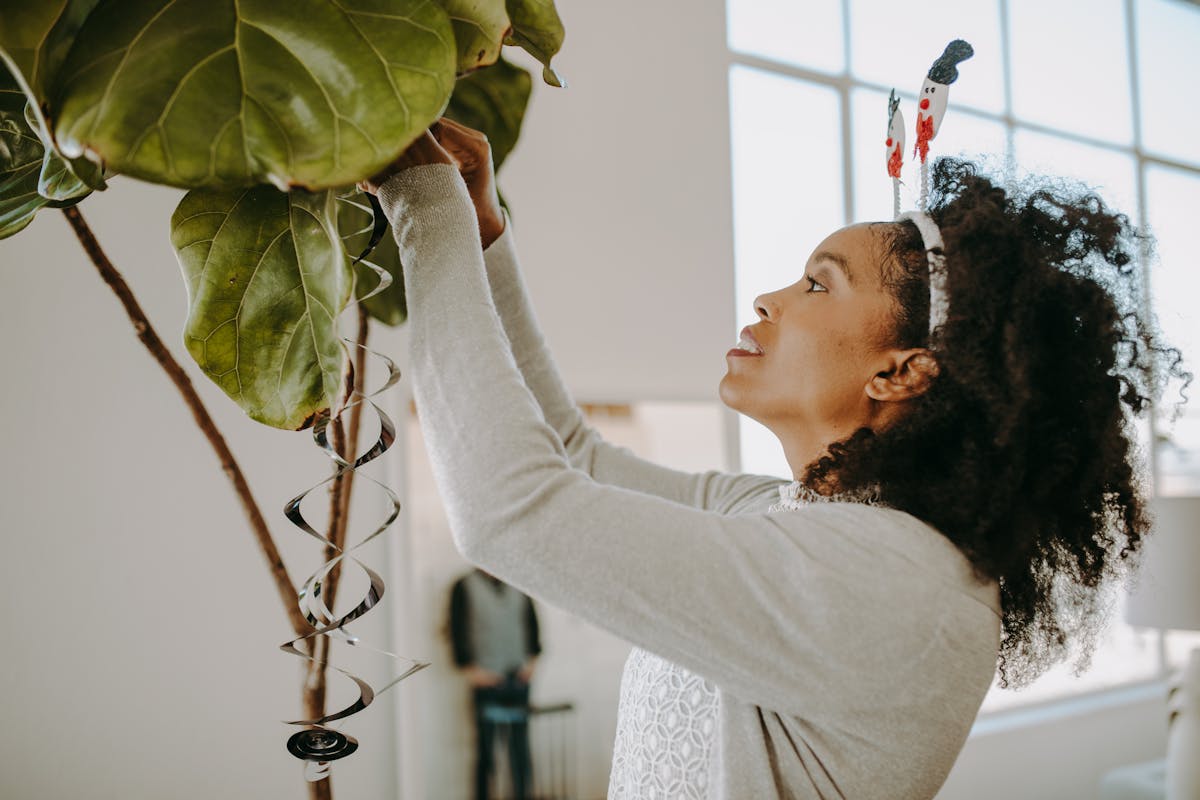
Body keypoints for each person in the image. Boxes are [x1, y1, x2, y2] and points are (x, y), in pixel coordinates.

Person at [359, 117, 1189, 799]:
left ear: (901, 371)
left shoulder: (887, 577)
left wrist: (421, 201)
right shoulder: (800, 522)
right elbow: (574, 459)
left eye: (818, 285)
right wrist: (485, 230)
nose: (768, 299)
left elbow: (514, 512)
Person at [448, 567, 541, 800]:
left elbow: (532, 627)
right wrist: (472, 672)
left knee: (520, 751)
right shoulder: (463, 586)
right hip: (486, 683)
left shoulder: (519, 581)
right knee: (486, 753)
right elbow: (456, 631)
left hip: (518, 680)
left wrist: (531, 663)